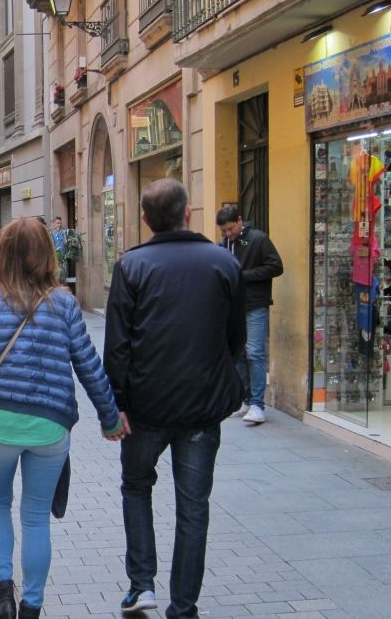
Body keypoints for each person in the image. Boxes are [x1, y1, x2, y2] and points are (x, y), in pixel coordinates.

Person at [0, 218, 127, 619]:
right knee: (37, 517)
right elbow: (89, 366)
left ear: (0, 253)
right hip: (50, 425)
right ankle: (32, 606)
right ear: (47, 255)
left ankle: (2, 593)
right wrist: (110, 418)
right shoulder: (65, 303)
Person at [104, 179, 246, 618]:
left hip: (145, 406)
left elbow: (118, 346)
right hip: (203, 408)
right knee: (193, 507)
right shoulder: (223, 263)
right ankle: (183, 607)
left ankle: (141, 584)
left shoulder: (131, 266)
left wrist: (117, 405)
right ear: (188, 213)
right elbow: (235, 338)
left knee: (136, 487)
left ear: (145, 219)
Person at [216, 204, 283, 424]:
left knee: (254, 353)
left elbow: (276, 266)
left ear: (239, 221)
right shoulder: (225, 244)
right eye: (224, 231)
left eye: (230, 229)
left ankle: (257, 404)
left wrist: (244, 276)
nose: (227, 234)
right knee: (239, 354)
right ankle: (245, 399)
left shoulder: (257, 239)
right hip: (233, 307)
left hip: (255, 304)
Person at [51, 217, 68, 283]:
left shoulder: (63, 232)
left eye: (60, 223)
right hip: (55, 258)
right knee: (56, 276)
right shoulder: (51, 233)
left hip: (63, 258)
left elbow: (66, 243)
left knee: (63, 275)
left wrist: (66, 241)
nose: (59, 225)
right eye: (58, 223)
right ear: (54, 224)